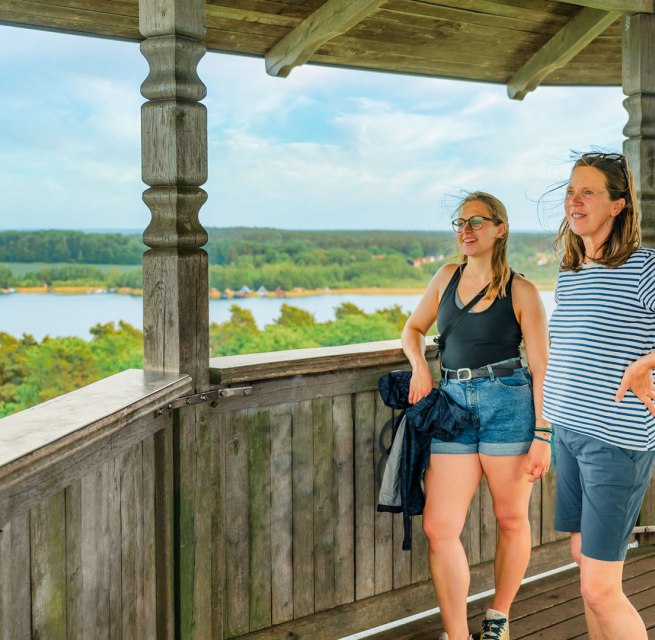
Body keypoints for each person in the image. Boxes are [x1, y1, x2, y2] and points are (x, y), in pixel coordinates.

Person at [401, 191, 550, 640]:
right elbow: (412, 330)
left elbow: (543, 367)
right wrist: (420, 367)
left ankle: (498, 616)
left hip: (508, 402)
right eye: (460, 222)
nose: (465, 230)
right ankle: (457, 635)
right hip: (452, 405)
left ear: (500, 230)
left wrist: (544, 434)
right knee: (438, 525)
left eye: (477, 222)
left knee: (510, 519)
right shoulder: (446, 277)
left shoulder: (522, 290)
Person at [543, 152, 655, 640]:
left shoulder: (644, 265)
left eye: (588, 191)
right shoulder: (571, 270)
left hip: (616, 443)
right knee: (583, 563)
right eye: (571, 190)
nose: (575, 199)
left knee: (600, 589)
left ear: (618, 205)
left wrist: (645, 363)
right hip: (568, 432)